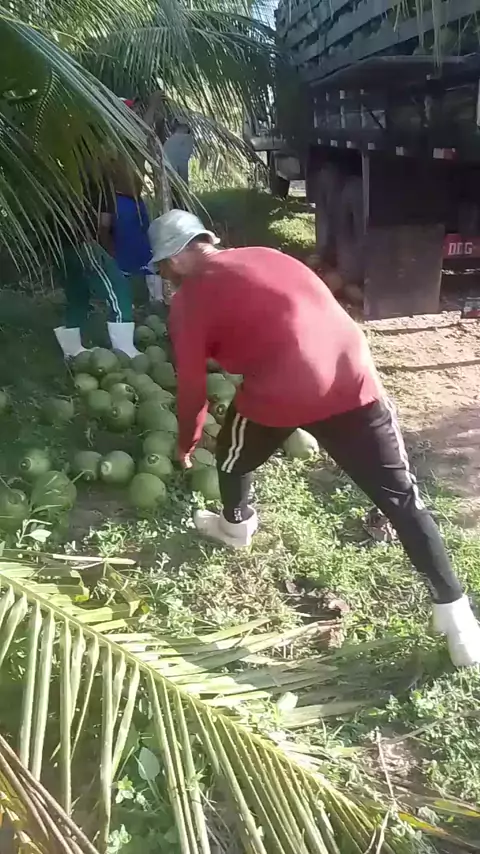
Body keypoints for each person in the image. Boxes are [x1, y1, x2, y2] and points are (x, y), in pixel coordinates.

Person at [147, 209, 480, 669]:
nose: (166, 275)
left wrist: (187, 441)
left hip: (282, 393)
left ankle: (236, 526)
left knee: (232, 456)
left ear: (176, 258)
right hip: (352, 378)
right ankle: (458, 620)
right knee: (402, 500)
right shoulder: (266, 254)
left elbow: (191, 388)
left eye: (163, 265)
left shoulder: (187, 303)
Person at [163, 120, 194, 186]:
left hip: (168, 175)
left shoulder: (168, 142)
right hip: (178, 172)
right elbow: (186, 156)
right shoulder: (187, 139)